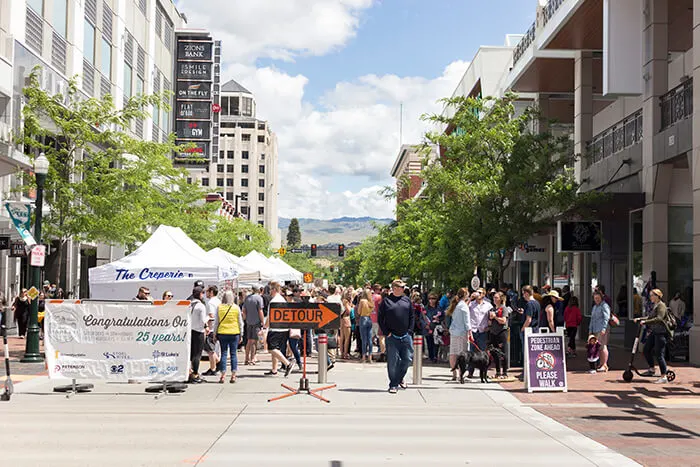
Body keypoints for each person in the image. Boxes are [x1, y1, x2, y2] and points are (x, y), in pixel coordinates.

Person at [378, 279, 414, 394]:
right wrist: (386, 331)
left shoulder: (407, 300)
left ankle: (399, 377)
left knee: (407, 359)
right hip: (392, 336)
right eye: (401, 287)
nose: (403, 289)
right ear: (394, 288)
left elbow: (412, 316)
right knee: (392, 361)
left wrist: (410, 331)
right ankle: (393, 384)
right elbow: (380, 318)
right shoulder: (386, 301)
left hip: (405, 335)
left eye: (403, 287)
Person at [637, 288, 672, 384]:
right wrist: (640, 319)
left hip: (661, 333)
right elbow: (650, 317)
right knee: (646, 350)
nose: (650, 297)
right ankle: (652, 369)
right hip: (654, 332)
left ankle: (664, 376)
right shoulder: (655, 305)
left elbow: (659, 318)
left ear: (657, 296)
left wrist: (645, 322)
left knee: (659, 354)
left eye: (652, 295)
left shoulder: (661, 306)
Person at [264, 282, 293, 377]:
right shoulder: (282, 300)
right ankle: (274, 369)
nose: (269, 292)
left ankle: (287, 364)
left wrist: (265, 327)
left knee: (272, 348)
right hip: (284, 328)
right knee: (276, 349)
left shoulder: (273, 302)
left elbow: (270, 317)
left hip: (275, 328)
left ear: (274, 290)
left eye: (270, 290)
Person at [214, 290, 244, 384]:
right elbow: (240, 322)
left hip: (222, 332)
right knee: (233, 354)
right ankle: (233, 375)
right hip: (234, 332)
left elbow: (216, 322)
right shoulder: (236, 308)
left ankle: (222, 375)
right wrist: (241, 334)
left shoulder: (220, 307)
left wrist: (215, 334)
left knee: (223, 353)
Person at [447, 288, 471, 382]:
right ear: (465, 295)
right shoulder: (464, 306)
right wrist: (470, 332)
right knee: (462, 354)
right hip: (462, 332)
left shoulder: (456, 305)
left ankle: (454, 374)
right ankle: (461, 374)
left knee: (453, 352)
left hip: (454, 332)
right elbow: (467, 321)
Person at [188, 286, 209, 384]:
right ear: (200, 294)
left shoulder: (190, 304)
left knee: (191, 354)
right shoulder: (201, 306)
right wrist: (208, 318)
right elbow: (202, 320)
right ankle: (195, 374)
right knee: (197, 354)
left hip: (190, 330)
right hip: (198, 331)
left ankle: (190, 372)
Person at [488, 292, 510, 379]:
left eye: (496, 298)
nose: (494, 299)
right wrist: (490, 319)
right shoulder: (493, 309)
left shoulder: (503, 308)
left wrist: (495, 317)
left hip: (502, 332)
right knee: (494, 352)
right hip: (493, 332)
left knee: (503, 352)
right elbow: (490, 322)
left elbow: (503, 321)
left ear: (501, 299)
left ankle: (504, 372)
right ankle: (497, 372)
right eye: (494, 298)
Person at [201, 286, 221, 377]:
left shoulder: (210, 303)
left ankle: (213, 368)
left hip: (211, 329)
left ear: (211, 292)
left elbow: (211, 316)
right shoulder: (218, 301)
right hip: (217, 328)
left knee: (210, 350)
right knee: (209, 349)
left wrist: (207, 326)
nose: (206, 293)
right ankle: (218, 364)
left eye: (207, 291)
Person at [242, 287, 265, 365]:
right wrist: (263, 322)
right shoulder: (259, 298)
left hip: (248, 322)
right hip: (256, 321)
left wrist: (245, 319)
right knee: (254, 341)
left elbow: (244, 311)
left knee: (249, 341)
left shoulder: (247, 298)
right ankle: (252, 359)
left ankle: (246, 358)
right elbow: (260, 311)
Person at [589, 291, 610, 372]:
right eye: (595, 298)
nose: (596, 300)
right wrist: (590, 330)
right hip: (595, 329)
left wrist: (604, 328)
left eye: (598, 298)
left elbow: (606, 318)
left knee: (602, 346)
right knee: (598, 347)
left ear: (601, 298)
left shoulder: (604, 306)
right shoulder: (595, 307)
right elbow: (592, 319)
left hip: (602, 329)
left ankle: (604, 365)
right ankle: (601, 364)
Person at [357, 288, 374, 363]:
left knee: (363, 339)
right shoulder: (371, 302)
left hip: (363, 318)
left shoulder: (362, 301)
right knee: (370, 339)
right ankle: (370, 357)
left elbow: (358, 312)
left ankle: (364, 357)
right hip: (369, 318)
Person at [425, 293, 441, 363]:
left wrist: (439, 320)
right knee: (429, 342)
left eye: (433, 298)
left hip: (436, 327)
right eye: (430, 299)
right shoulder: (426, 308)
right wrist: (425, 325)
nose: (431, 300)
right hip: (428, 327)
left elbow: (443, 317)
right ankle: (430, 356)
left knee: (436, 343)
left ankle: (435, 356)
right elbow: (422, 318)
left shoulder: (439, 308)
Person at [340, 289, 353, 359]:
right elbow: (349, 311)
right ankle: (345, 353)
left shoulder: (341, 300)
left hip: (341, 319)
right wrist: (351, 306)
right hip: (346, 319)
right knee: (347, 338)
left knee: (342, 337)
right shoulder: (346, 302)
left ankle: (341, 353)